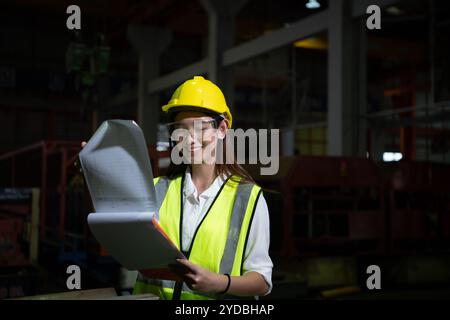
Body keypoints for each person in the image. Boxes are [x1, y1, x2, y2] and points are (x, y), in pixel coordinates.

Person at [133, 76, 273, 300]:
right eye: (180, 129)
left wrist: (219, 283)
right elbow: (114, 229)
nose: (189, 139)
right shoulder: (156, 190)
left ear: (222, 129)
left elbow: (262, 282)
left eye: (200, 128)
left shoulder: (247, 198)